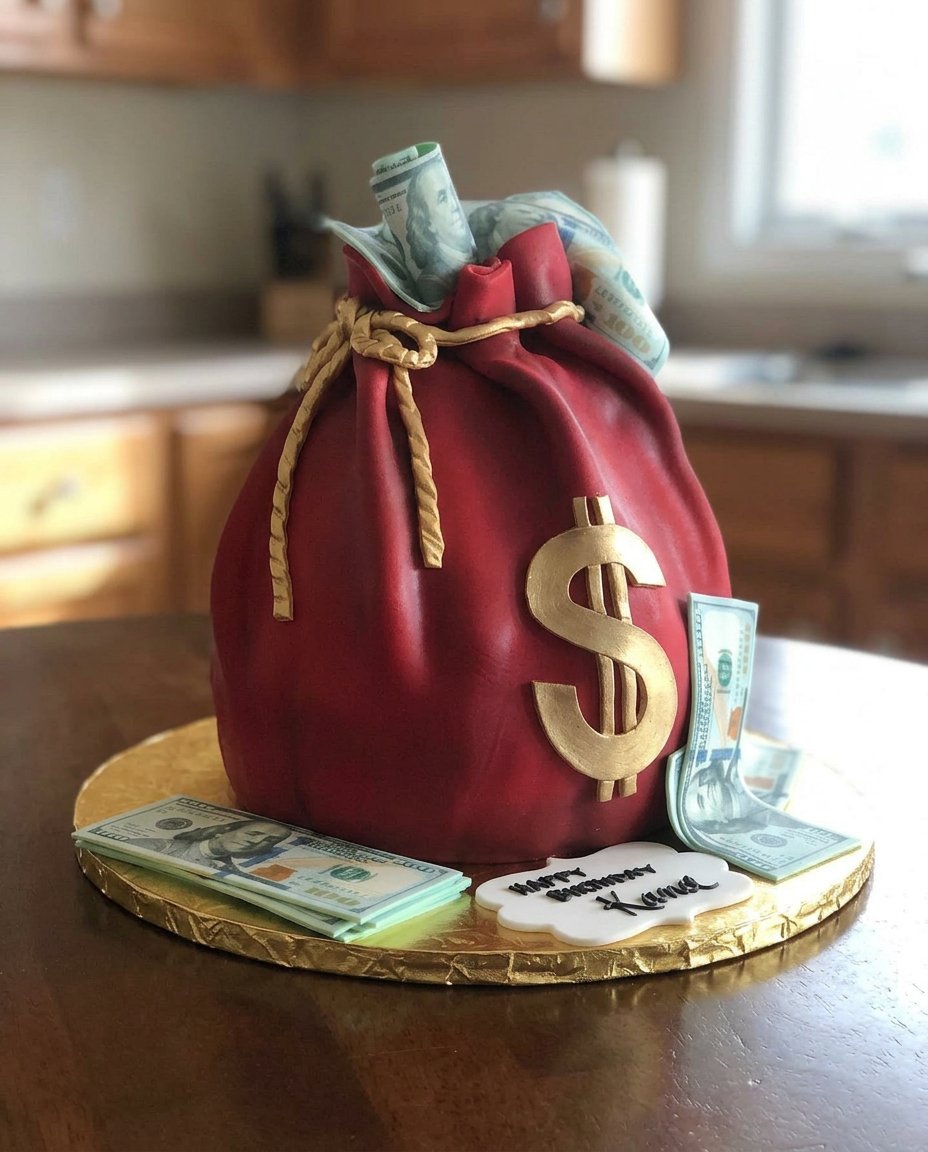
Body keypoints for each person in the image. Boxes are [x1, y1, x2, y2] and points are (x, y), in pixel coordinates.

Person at [404, 157, 475, 302]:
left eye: (452, 192)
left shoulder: (482, 247)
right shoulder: (432, 282)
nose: (455, 205)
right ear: (428, 221)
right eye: (442, 198)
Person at [128, 819, 289, 871]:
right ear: (222, 831)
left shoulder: (233, 869)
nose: (256, 842)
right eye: (253, 834)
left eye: (269, 841)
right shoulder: (157, 846)